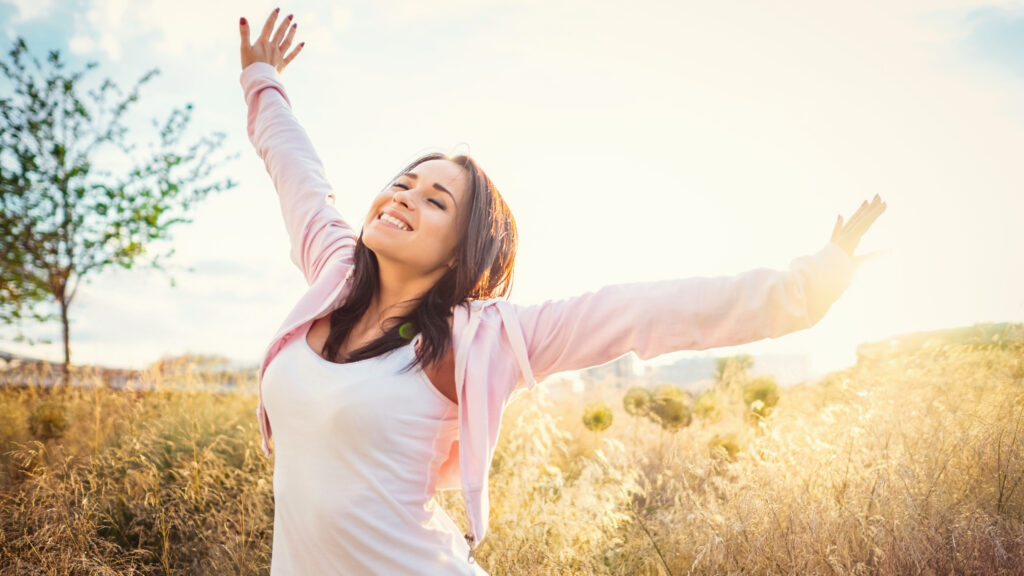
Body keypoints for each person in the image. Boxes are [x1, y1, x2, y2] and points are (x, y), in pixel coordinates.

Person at [237, 8, 887, 575]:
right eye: (404, 183)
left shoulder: (482, 339)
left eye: (435, 200)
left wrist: (806, 288)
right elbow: (299, 175)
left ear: (460, 250)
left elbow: (642, 313)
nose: (404, 196)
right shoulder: (334, 276)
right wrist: (263, 83)